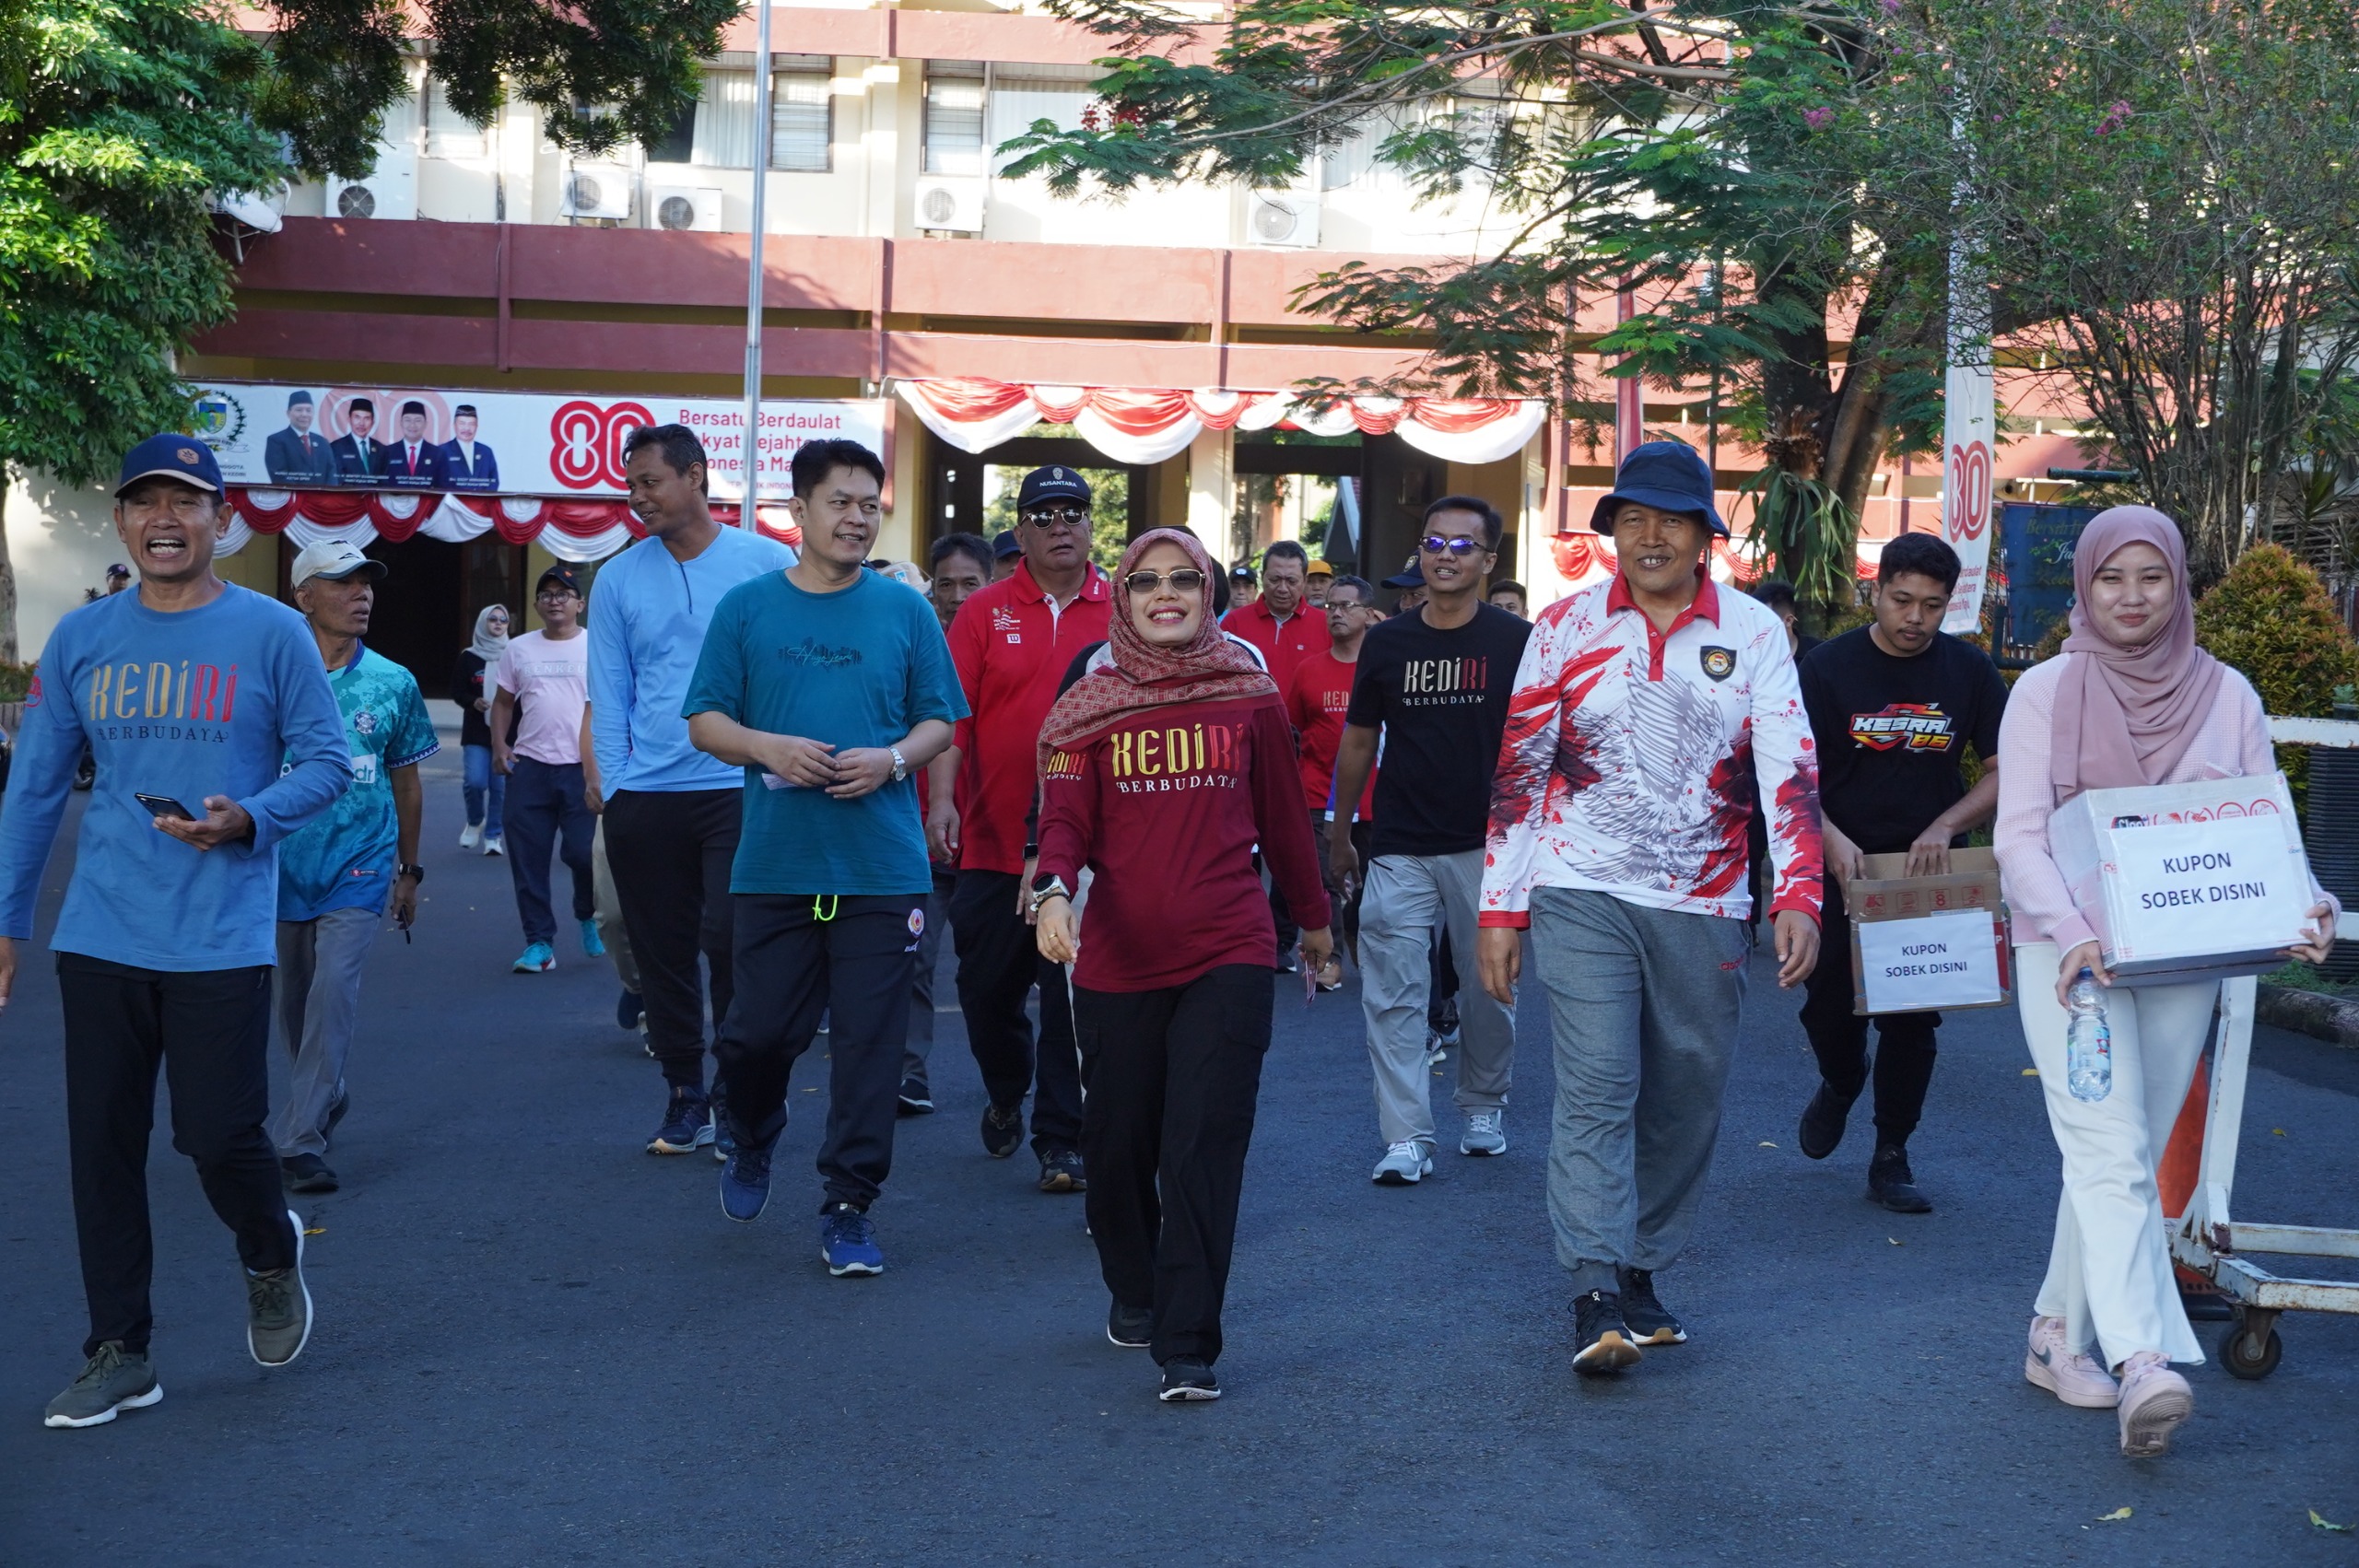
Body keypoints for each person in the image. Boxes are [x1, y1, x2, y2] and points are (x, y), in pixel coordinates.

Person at [0, 435, 348, 1429]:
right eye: (146, 501)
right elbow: (35, 788)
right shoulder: (81, 639)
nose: (165, 518)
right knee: (102, 1148)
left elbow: (328, 763)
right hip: (102, 932)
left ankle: (270, 1247)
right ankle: (121, 1350)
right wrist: (7, 919)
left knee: (216, 1136)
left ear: (220, 522)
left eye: (187, 502)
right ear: (121, 522)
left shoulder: (273, 633)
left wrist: (249, 818)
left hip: (220, 935)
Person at [1993, 506, 2337, 1459]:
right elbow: (2017, 836)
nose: (2132, 596)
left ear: (2180, 583)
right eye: (2112, 578)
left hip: (2185, 957)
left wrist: (2306, 900)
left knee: (2124, 1150)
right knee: (2106, 1147)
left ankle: (2054, 1332)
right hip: (2070, 959)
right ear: (2085, 585)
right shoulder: (2045, 692)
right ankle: (2144, 1358)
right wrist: (2070, 931)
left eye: (2152, 577)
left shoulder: (2227, 694)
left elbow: (2263, 826)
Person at [1475, 439, 1823, 1375]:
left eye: (1670, 520)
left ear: (1704, 535)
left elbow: (1789, 772)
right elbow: (1519, 772)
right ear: (1613, 533)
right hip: (1579, 888)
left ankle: (1639, 1267)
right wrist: (1500, 909)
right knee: (1597, 1086)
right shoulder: (1563, 627)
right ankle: (1593, 1288)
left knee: (1687, 1093)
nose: (1650, 536)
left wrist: (1798, 894)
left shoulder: (1753, 631)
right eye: (1632, 519)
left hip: (1706, 901)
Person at [1033, 527, 1334, 1401]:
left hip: (1228, 948)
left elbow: (1284, 820)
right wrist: (1052, 890)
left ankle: (1188, 1340)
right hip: (1117, 957)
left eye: (1184, 580)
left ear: (1209, 594)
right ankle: (1134, 1285)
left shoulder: (1250, 694)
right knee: (1117, 1145)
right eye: (1145, 582)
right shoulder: (1089, 704)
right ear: (1123, 599)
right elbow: (1064, 819)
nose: (1165, 594)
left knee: (1203, 1143)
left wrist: (1314, 921)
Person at [687, 439, 966, 1277]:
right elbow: (705, 721)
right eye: (840, 502)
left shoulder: (905, 610)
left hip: (882, 867)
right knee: (757, 1034)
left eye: (869, 504)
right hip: (778, 863)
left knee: (871, 1047)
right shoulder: (747, 608)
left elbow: (940, 720)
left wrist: (894, 760)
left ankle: (849, 1203)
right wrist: (767, 747)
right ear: (799, 511)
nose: (856, 517)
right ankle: (750, 1129)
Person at [590, 423, 795, 1157]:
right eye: (632, 485)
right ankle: (684, 1093)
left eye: (650, 481)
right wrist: (619, 786)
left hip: (739, 785)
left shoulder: (767, 563)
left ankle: (739, 1091)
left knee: (734, 941)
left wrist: (778, 768)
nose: (638, 498)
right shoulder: (617, 577)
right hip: (647, 795)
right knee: (661, 952)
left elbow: (790, 673)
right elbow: (609, 690)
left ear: (696, 476)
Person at [1795, 532, 2009, 1213]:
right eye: (1902, 600)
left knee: (1912, 1020)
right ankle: (1840, 1078)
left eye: (1932, 606)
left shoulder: (1970, 671)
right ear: (1876, 591)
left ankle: (1892, 1153)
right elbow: (1791, 771)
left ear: (1949, 605)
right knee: (1829, 1006)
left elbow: (2003, 769)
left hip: (1926, 871)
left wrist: (1947, 824)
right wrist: (1829, 839)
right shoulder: (1826, 668)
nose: (1915, 618)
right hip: (1842, 865)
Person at [1329, 497, 1532, 1184]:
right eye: (1434, 542)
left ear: (1489, 560)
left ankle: (1484, 1104)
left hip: (1490, 847)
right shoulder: (1387, 642)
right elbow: (1360, 740)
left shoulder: (1517, 641)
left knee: (1488, 989)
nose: (1445, 555)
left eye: (1462, 545)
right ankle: (1406, 1137)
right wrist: (1340, 832)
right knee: (1393, 993)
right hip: (1400, 844)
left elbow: (1540, 742)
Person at [936, 466, 1111, 1192]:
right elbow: (951, 719)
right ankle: (1007, 1088)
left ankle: (1061, 1141)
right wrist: (941, 801)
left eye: (1073, 511)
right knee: (986, 992)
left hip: (1085, 850)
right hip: (991, 842)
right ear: (1021, 529)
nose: (1060, 524)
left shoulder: (1123, 605)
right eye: (1044, 514)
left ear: (1090, 523)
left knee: (1070, 999)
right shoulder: (984, 611)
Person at [270, 540, 437, 1196]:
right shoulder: (273, 675)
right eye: (343, 582)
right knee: (295, 1001)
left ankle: (300, 1139)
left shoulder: (393, 682)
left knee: (333, 990)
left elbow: (408, 783)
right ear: (304, 596)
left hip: (360, 863)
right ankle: (326, 1093)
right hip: (282, 863)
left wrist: (409, 871)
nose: (361, 594)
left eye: (366, 583)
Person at [902, 532, 995, 1115]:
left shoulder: (1005, 643)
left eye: (971, 584)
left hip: (993, 839)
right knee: (911, 957)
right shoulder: (911, 645)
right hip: (920, 834)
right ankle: (907, 1073)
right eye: (946, 584)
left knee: (989, 977)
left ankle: (1006, 1080)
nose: (958, 596)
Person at [491, 566, 599, 975]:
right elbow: (503, 702)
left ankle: (587, 912)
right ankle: (539, 943)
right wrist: (499, 745)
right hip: (530, 768)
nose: (555, 601)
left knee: (583, 854)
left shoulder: (597, 646)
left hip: (582, 768)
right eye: (547, 595)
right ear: (537, 604)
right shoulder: (519, 648)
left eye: (563, 594)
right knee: (528, 859)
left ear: (579, 604)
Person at [1285, 572, 1380, 983]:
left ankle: (1358, 934)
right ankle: (1329, 958)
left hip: (1374, 799)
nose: (1336, 613)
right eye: (1330, 606)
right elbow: (1294, 730)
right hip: (1318, 794)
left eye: (1346, 606)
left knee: (1370, 885)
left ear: (1369, 613)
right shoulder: (1308, 670)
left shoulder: (1382, 667)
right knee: (1325, 880)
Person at [452, 605, 511, 855]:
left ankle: (493, 836)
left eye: (503, 620)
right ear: (483, 623)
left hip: (506, 732)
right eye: (492, 619)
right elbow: (457, 691)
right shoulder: (469, 657)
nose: (498, 623)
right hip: (476, 730)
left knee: (500, 787)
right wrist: (473, 701)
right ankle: (475, 820)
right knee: (475, 782)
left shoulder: (513, 653)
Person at [264, 391, 339, 486]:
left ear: (313, 413)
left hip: (322, 495)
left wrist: (327, 493)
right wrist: (304, 493)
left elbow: (332, 473)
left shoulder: (322, 442)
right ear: (288, 413)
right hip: (295, 495)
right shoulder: (276, 441)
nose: (304, 414)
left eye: (308, 410)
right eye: (299, 410)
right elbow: (279, 475)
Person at [435, 404, 499, 491]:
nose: (467, 428)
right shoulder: (442, 451)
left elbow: (493, 481)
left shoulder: (486, 451)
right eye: (462, 423)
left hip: (481, 499)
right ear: (454, 425)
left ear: (477, 426)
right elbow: (437, 483)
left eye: (471, 424)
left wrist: (481, 498)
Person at [383, 401, 440, 489]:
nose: (412, 425)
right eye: (407, 420)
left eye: (418, 420)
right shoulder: (387, 452)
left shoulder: (437, 453)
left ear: (425, 424)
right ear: (401, 423)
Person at [330, 399, 387, 483]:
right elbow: (335, 480)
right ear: (349, 419)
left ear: (373, 422)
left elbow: (385, 481)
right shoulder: (336, 448)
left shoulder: (381, 449)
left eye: (367, 418)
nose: (361, 423)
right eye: (357, 417)